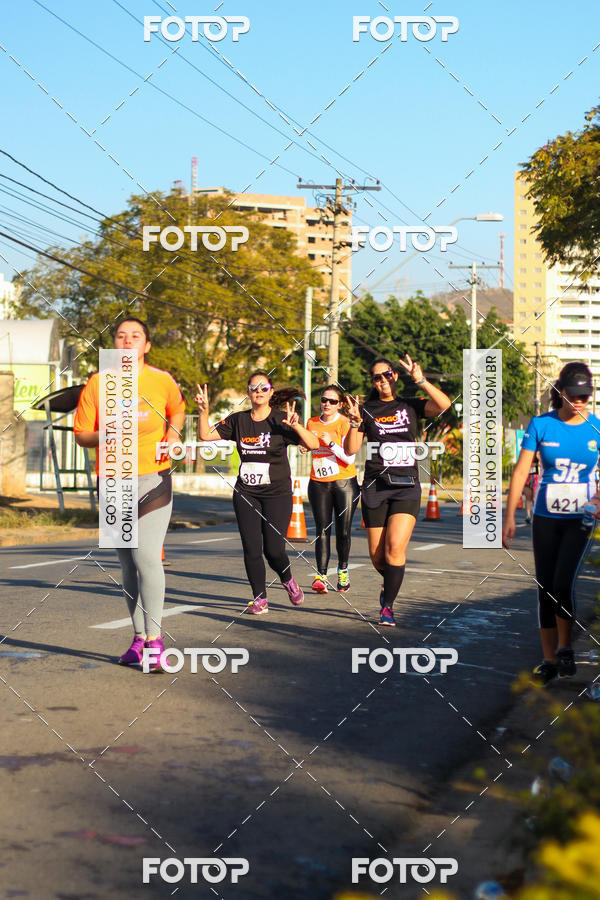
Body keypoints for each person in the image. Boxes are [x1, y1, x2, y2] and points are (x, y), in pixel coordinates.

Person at [74, 318, 185, 671]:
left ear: (146, 345)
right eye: (121, 336)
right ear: (114, 345)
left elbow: (178, 408)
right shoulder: (98, 382)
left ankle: (155, 640)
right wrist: (105, 433)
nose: (127, 341)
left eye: (135, 336)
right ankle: (138, 639)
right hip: (112, 479)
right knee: (126, 563)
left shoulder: (161, 380)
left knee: (146, 557)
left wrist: (173, 432)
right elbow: (81, 433)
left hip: (153, 476)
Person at [502, 362, 600, 684]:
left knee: (562, 582)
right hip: (545, 516)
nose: (581, 403)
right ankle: (548, 660)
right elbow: (520, 471)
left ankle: (565, 646)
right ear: (561, 393)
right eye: (575, 397)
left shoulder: (596, 427)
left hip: (580, 518)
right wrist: (510, 516)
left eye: (586, 397)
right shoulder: (541, 425)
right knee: (545, 587)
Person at [196, 373, 320, 614]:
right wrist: (204, 410)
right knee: (251, 548)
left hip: (277, 493)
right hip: (246, 493)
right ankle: (260, 598)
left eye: (264, 387)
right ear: (249, 392)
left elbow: (313, 444)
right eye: (254, 388)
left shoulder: (281, 420)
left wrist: (296, 426)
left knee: (273, 549)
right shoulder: (239, 421)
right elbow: (205, 435)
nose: (259, 391)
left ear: (271, 392)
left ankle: (288, 580)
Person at [344, 355, 452, 626]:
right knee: (377, 556)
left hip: (406, 487)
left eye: (387, 374)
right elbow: (350, 449)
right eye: (376, 377)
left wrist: (422, 381)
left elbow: (444, 405)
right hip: (375, 487)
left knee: (394, 549)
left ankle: (388, 606)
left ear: (395, 376)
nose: (382, 380)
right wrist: (355, 422)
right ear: (372, 382)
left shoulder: (410, 405)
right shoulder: (365, 409)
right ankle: (390, 584)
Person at [304, 385, 360, 594]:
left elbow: (349, 457)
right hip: (318, 482)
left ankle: (343, 571)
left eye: (333, 401)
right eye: (324, 400)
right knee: (322, 530)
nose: (327, 404)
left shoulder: (345, 424)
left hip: (344, 483)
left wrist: (331, 444)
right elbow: (311, 444)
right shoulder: (311, 423)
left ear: (340, 405)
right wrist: (305, 445)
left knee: (343, 532)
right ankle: (321, 576)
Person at [523, 452, 540, 524]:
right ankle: (528, 516)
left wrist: (537, 458)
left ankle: (535, 516)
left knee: (534, 498)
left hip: (536, 477)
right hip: (527, 477)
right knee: (528, 497)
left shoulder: (539, 453)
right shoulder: (526, 453)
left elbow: (541, 464)